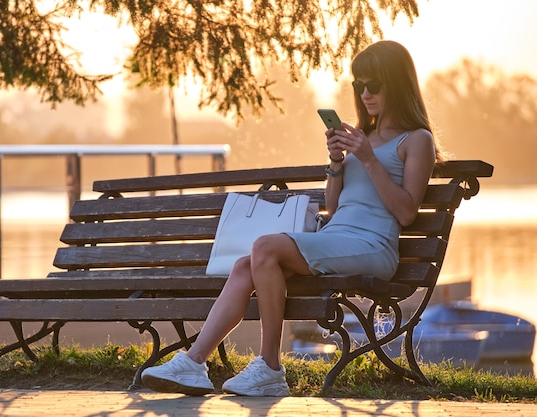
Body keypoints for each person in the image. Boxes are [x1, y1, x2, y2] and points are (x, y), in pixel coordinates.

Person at [141, 40, 443, 397]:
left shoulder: (416, 139)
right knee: (244, 266)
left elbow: (407, 212)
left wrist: (370, 159)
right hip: (339, 237)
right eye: (358, 85)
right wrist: (336, 163)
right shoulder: (363, 138)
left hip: (372, 247)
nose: (364, 94)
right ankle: (193, 363)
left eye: (373, 85)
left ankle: (270, 367)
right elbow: (333, 208)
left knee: (265, 248)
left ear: (397, 83)